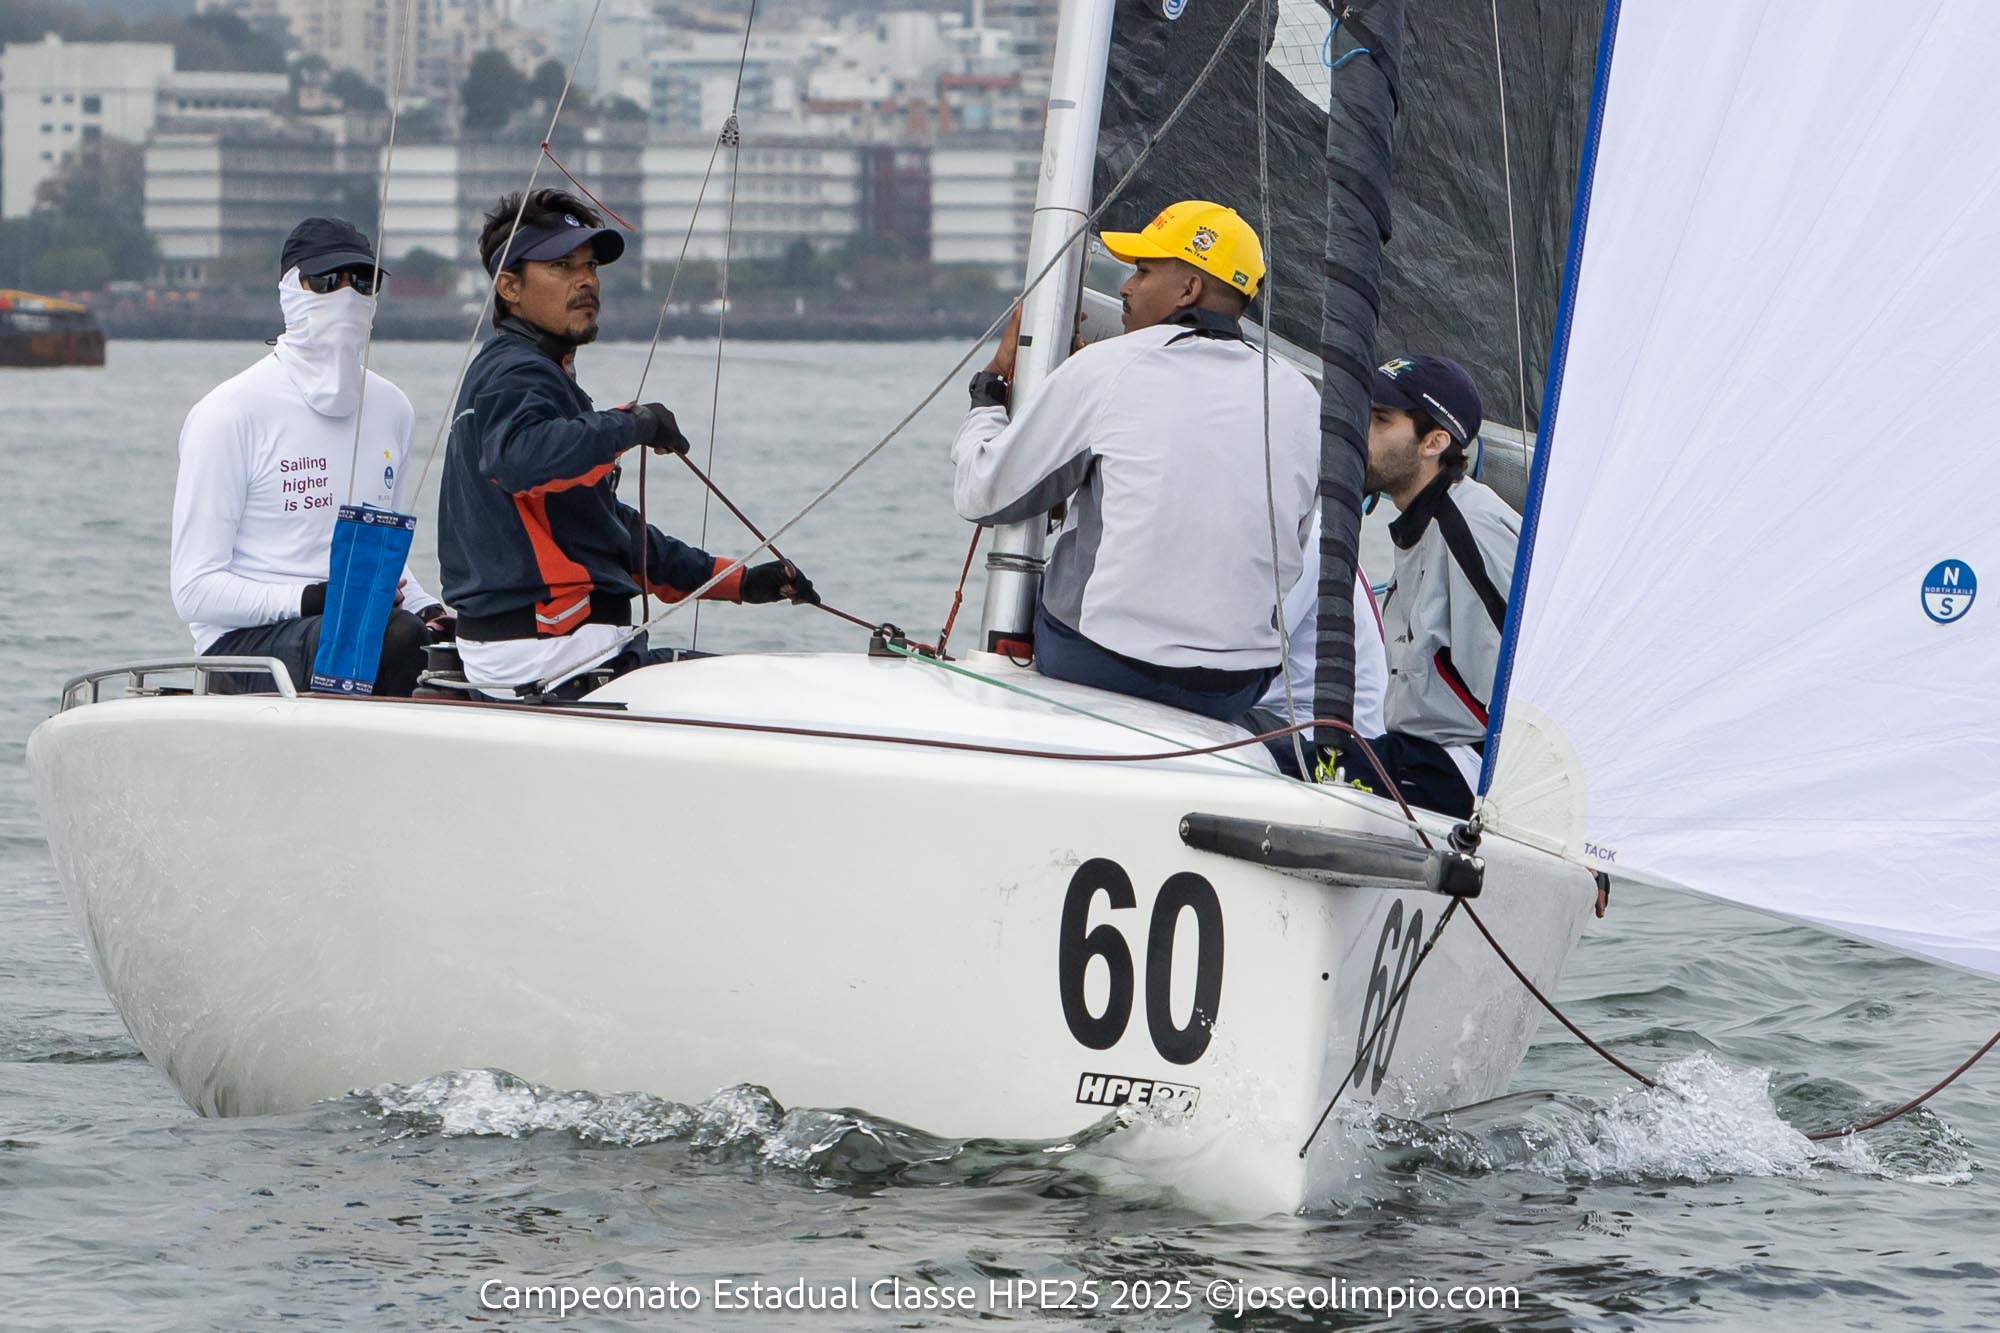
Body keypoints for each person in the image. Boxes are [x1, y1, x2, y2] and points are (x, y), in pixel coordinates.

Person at [438, 189, 815, 697]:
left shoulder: (525, 374)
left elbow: (606, 530)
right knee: (781, 693)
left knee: (767, 687)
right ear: (509, 286)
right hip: (554, 653)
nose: (585, 280)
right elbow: (520, 461)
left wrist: (738, 582)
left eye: (590, 265)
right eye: (561, 265)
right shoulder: (517, 372)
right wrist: (633, 423)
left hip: (543, 652)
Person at [950, 200, 1317, 721]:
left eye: (1143, 271)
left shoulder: (1107, 367)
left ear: (1189, 290)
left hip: (1102, 662)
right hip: (1236, 683)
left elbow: (981, 493)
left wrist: (989, 392)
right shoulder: (1300, 395)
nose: (1125, 287)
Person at [171, 216, 442, 696]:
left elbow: (385, 563)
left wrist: (432, 610)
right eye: (327, 280)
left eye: (363, 281)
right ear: (289, 291)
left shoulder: (393, 409)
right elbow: (195, 591)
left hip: (361, 626)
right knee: (395, 637)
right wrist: (315, 598)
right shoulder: (228, 413)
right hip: (242, 643)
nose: (347, 295)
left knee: (463, 646)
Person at [1356, 355, 1520, 816]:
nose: (1360, 431)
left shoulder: (1470, 530)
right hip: (1420, 755)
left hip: (1469, 774)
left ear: (1434, 442)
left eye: (1380, 419)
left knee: (1283, 766)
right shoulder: (1425, 520)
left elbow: (1526, 681)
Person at [1240, 508, 1388, 777]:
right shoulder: (1291, 524)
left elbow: (1240, 658)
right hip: (1290, 719)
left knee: (1183, 714)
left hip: (1329, 740)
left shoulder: (1298, 535)